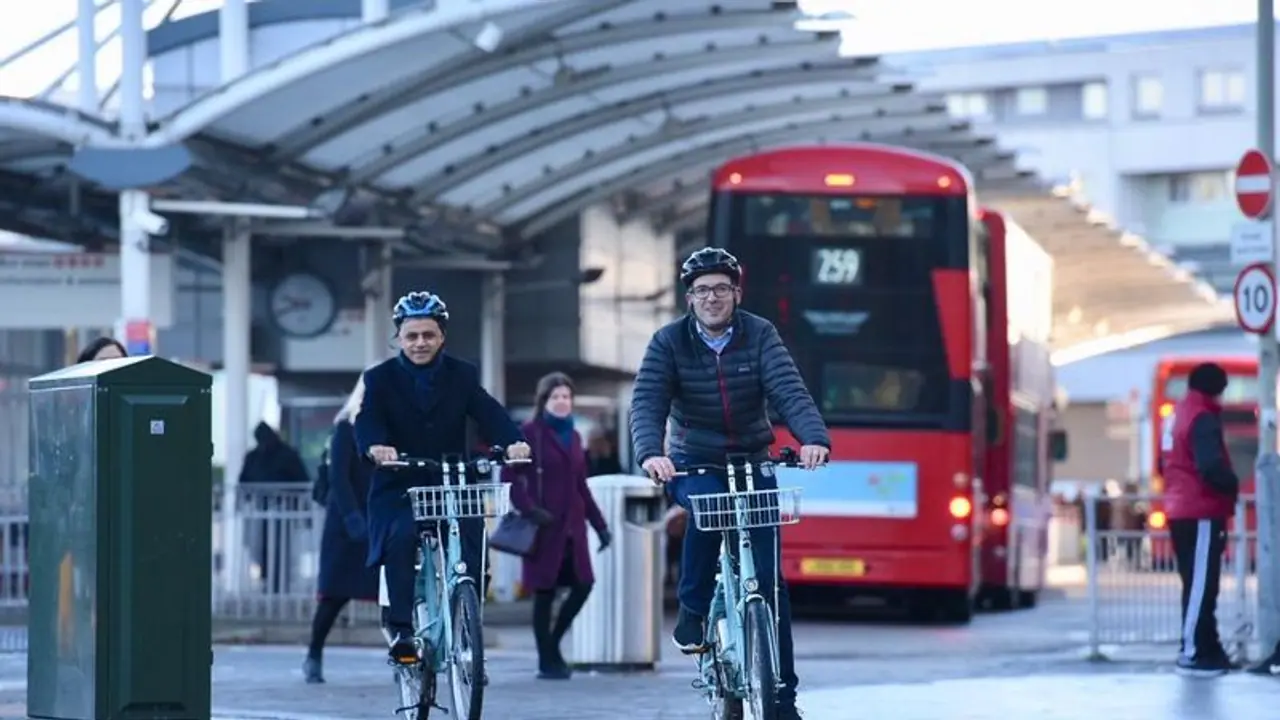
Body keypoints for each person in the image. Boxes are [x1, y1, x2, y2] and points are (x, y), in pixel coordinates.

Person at [629, 247, 830, 719]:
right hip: (692, 461)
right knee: (710, 506)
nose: (712, 298)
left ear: (736, 293)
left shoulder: (760, 334)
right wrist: (651, 453)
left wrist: (813, 439)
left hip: (751, 458)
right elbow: (647, 402)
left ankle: (783, 699)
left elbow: (789, 389)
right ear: (690, 299)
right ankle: (695, 610)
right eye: (702, 291)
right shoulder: (668, 342)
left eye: (721, 289)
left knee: (772, 587)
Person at [354, 290, 530, 664]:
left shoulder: (462, 374)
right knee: (400, 538)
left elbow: (488, 411)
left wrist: (514, 441)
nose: (420, 343)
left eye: (428, 335)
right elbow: (367, 420)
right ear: (399, 337)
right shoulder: (380, 379)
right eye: (412, 335)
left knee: (473, 540)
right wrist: (376, 448)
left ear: (442, 336)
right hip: (401, 481)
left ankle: (467, 617)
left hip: (452, 477)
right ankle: (402, 630)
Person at [504, 372, 611, 680]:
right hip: (544, 526)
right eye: (556, 397)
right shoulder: (529, 432)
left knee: (584, 584)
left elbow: (581, 485)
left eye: (566, 396)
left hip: (572, 528)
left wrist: (600, 526)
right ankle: (546, 660)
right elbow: (509, 477)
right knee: (544, 592)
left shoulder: (575, 436)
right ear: (544, 401)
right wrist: (530, 510)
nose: (562, 402)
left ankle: (551, 646)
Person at [1159, 361, 1239, 677]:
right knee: (1202, 586)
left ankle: (1209, 648)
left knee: (1195, 584)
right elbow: (1210, 467)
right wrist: (1232, 483)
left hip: (1179, 509)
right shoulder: (1202, 417)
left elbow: (1162, 462)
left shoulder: (1177, 414)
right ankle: (1193, 652)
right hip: (1202, 510)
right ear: (1216, 388)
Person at [303, 375, 380, 684]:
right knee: (335, 594)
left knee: (398, 591)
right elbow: (339, 476)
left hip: (383, 517)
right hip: (348, 521)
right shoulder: (346, 428)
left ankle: (409, 657)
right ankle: (314, 653)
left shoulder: (395, 429)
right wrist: (352, 518)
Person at [239, 421, 311, 594]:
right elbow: (244, 481)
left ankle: (280, 582)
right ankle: (268, 580)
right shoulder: (254, 457)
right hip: (261, 510)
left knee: (281, 547)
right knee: (262, 547)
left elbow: (301, 482)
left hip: (284, 510)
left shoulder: (287, 455)